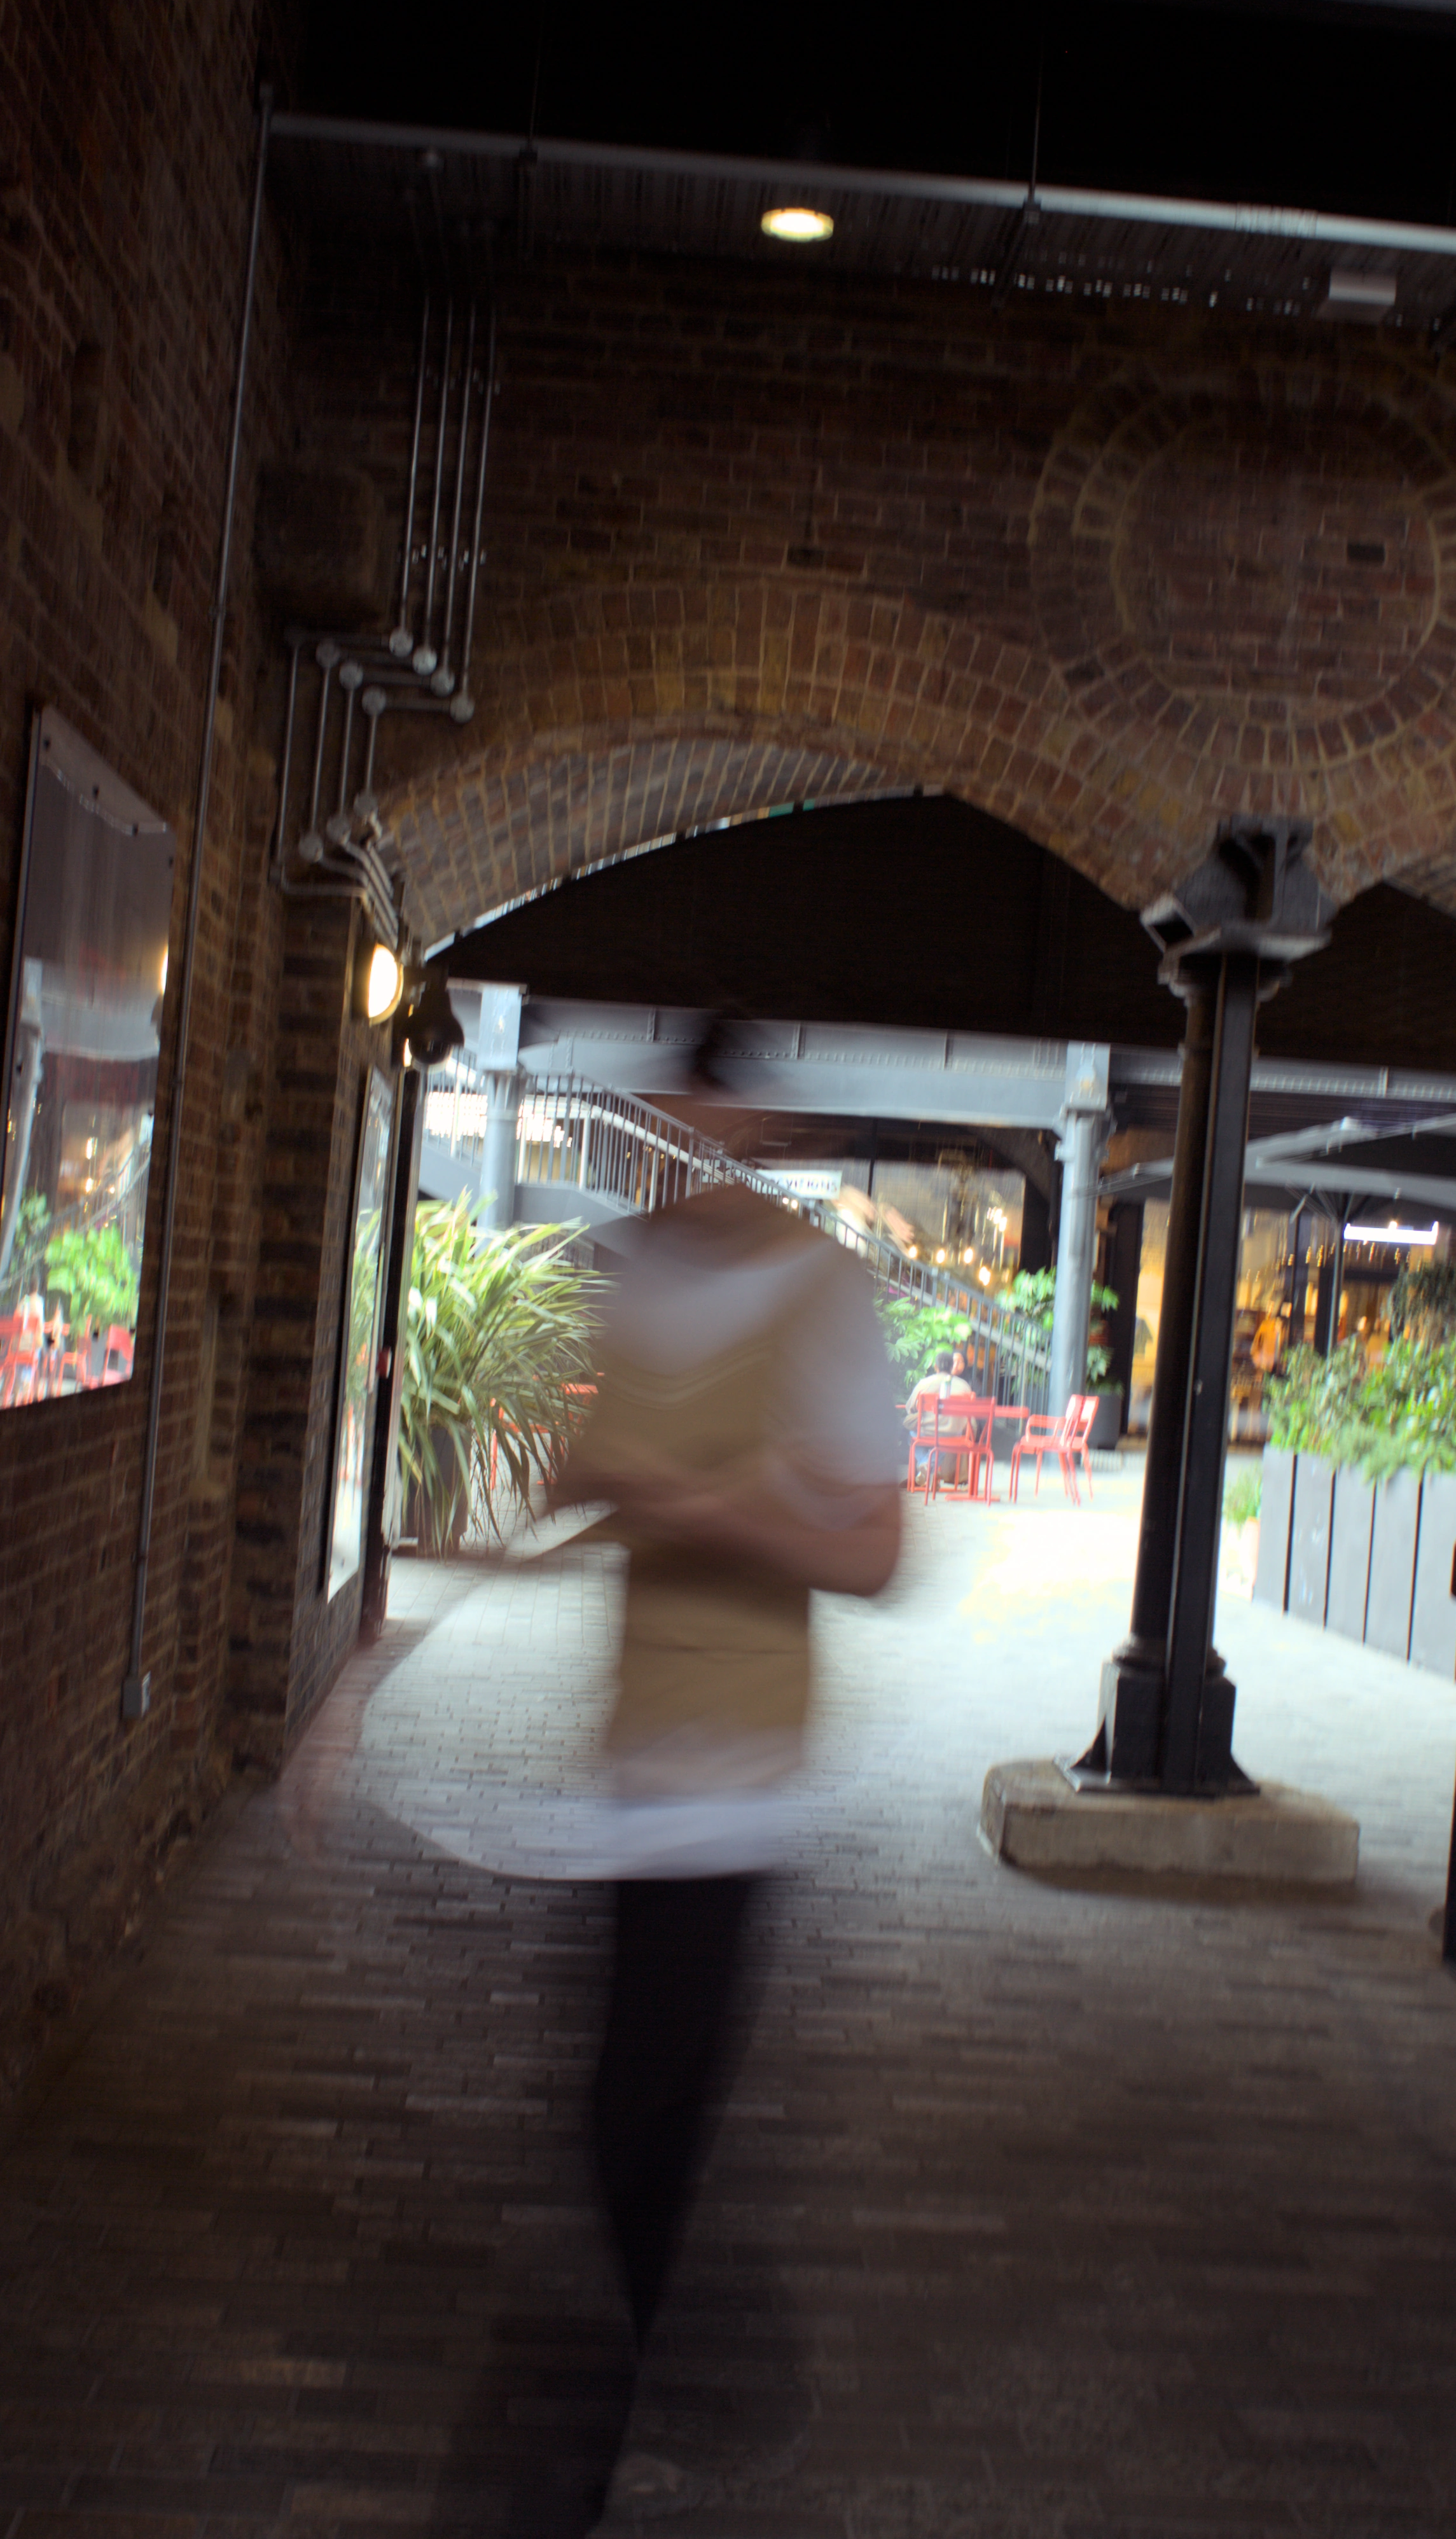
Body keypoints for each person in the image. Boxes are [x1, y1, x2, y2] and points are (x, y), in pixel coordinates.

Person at [559, 1078, 902, 2521]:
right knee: (608, 2103)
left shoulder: (825, 1298)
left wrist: (705, 1504)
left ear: (743, 1124)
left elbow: (873, 1554)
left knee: (643, 2110)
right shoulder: (629, 1277)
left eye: (701, 1121)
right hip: (628, 1754)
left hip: (738, 1772)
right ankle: (621, 2376)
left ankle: (628, 2420)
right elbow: (582, 1477)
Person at [903, 1345, 973, 1487]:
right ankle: (931, 1471)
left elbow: (909, 1408)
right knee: (942, 1441)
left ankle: (926, 1465)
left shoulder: (925, 1383)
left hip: (927, 1431)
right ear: (951, 1366)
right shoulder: (964, 1386)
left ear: (935, 1366)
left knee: (912, 1434)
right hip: (954, 1433)